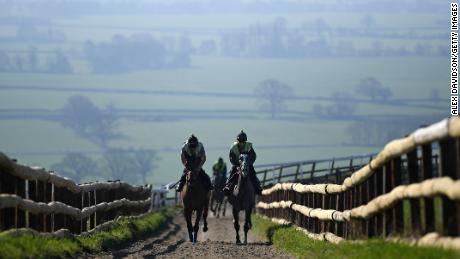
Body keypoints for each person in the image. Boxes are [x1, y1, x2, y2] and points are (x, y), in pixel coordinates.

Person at [223, 130, 262, 195]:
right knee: (232, 173)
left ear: (245, 141)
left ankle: (258, 186)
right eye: (240, 142)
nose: (241, 143)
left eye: (243, 142)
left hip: (247, 165)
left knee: (253, 173)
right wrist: (237, 165)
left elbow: (253, 156)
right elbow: (231, 158)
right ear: (238, 141)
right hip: (237, 165)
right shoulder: (233, 147)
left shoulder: (249, 147)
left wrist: (249, 164)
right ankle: (227, 186)